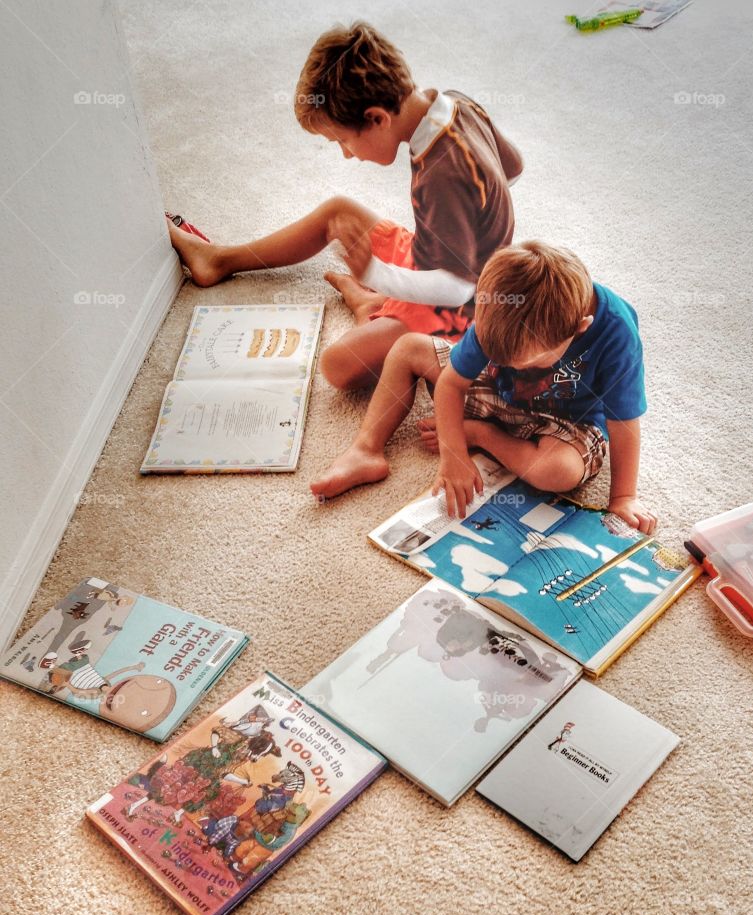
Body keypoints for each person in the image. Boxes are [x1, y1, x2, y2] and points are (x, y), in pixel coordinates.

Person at [167, 21, 522, 390]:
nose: (346, 154)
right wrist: (472, 221)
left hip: (465, 310)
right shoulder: (455, 102)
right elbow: (513, 168)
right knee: (337, 211)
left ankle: (372, 307)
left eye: (342, 140)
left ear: (377, 119)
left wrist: (375, 273)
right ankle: (220, 259)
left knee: (337, 365)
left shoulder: (442, 174)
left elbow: (454, 288)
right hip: (434, 259)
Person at [310, 241, 657, 533]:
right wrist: (453, 454)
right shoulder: (500, 310)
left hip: (568, 419)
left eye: (530, 362)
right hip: (495, 390)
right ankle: (365, 449)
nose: (518, 368)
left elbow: (624, 422)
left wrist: (623, 498)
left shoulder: (618, 334)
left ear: (580, 328)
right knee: (407, 349)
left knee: (559, 471)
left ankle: (481, 433)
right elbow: (451, 384)